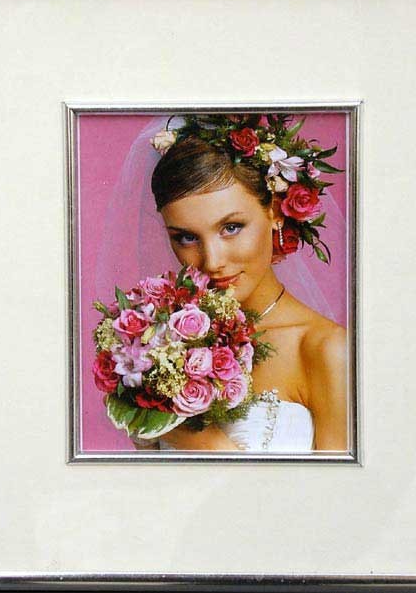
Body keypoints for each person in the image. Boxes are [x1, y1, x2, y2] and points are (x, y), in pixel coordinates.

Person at [142, 115, 347, 452]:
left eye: (231, 228)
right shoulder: (167, 345)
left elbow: (347, 488)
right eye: (186, 237)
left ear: (275, 212)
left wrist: (209, 445)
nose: (212, 261)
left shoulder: (325, 348)